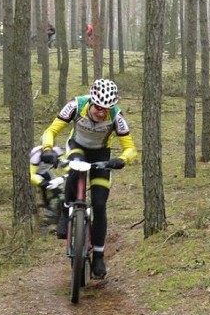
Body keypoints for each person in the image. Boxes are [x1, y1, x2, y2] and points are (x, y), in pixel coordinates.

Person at [39, 78, 138, 279]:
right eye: (98, 108)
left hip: (102, 155)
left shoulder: (116, 116)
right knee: (75, 168)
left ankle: (99, 256)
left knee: (100, 204)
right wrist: (48, 149)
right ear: (91, 101)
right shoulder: (76, 105)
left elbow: (130, 148)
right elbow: (51, 130)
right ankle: (65, 214)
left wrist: (121, 159)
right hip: (77, 147)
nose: (101, 113)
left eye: (106, 109)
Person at [29, 145, 64, 220]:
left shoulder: (56, 150)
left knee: (58, 191)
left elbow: (66, 162)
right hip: (37, 174)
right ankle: (46, 212)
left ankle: (59, 210)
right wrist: (41, 182)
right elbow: (31, 174)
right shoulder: (36, 155)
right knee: (43, 194)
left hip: (47, 172)